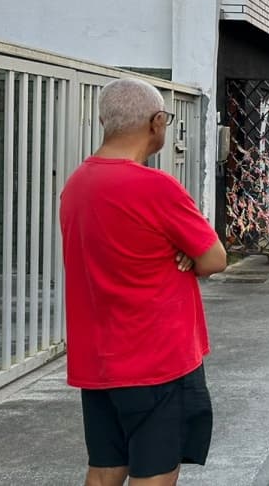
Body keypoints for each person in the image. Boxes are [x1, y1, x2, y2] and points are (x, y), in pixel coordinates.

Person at [60, 78, 228, 484]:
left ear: (104, 121)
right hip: (157, 362)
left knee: (103, 470)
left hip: (98, 361)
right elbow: (215, 258)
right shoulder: (156, 187)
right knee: (155, 473)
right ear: (157, 123)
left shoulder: (76, 186)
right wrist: (188, 253)